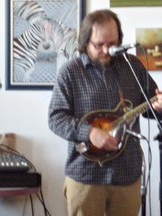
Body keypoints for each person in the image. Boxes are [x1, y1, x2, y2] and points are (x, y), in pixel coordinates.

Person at [48, 9, 162, 216]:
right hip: (85, 176)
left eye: (112, 44)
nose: (107, 50)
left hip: (127, 175)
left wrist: (160, 108)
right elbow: (56, 118)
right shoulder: (70, 72)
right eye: (99, 45)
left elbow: (151, 107)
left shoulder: (133, 66)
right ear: (85, 41)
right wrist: (89, 133)